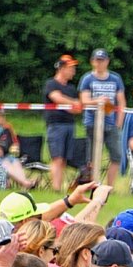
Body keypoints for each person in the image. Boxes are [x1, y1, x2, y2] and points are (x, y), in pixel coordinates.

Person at [78, 49, 125, 187]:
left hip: (111, 122)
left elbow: (121, 102)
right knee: (92, 157)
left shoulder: (115, 79)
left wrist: (119, 122)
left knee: (116, 156)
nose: (99, 63)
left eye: (102, 60)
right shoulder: (87, 79)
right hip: (92, 122)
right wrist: (99, 101)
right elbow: (84, 100)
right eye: (97, 60)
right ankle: (92, 185)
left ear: (107, 61)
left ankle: (110, 186)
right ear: (92, 62)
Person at [43, 55, 82, 192]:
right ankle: (55, 188)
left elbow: (77, 108)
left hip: (70, 125)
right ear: (62, 68)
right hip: (56, 125)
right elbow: (56, 97)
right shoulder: (51, 84)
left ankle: (60, 187)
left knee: (64, 159)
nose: (73, 72)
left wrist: (73, 106)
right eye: (71, 68)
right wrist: (72, 104)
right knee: (57, 158)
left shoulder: (71, 88)